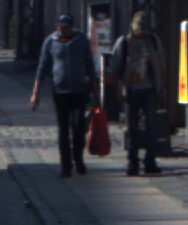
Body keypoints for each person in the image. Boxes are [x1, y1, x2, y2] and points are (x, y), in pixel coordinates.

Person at [29, 12, 100, 178]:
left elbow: (90, 67)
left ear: (72, 27)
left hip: (79, 91)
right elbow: (42, 69)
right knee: (63, 129)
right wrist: (35, 94)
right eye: (61, 28)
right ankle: (66, 166)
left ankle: (78, 158)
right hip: (60, 92)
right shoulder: (50, 42)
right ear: (56, 27)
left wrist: (96, 94)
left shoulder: (81, 40)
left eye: (66, 28)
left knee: (78, 126)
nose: (63, 31)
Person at [109, 10, 166, 175]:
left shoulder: (153, 42)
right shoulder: (124, 43)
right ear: (132, 27)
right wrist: (118, 91)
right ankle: (132, 161)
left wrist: (162, 89)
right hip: (131, 90)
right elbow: (115, 68)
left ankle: (150, 160)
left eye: (144, 28)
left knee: (151, 125)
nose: (141, 31)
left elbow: (161, 67)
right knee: (132, 127)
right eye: (138, 28)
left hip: (149, 89)